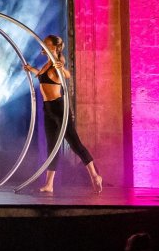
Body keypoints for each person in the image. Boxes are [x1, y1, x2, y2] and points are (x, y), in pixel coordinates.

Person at [22, 34, 103, 193]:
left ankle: (95, 175)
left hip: (59, 109)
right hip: (48, 109)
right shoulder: (46, 65)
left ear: (54, 47)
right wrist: (31, 69)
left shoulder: (57, 65)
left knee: (75, 144)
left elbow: (66, 75)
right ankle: (49, 184)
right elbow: (42, 77)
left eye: (45, 44)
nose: (42, 46)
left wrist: (62, 69)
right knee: (52, 147)